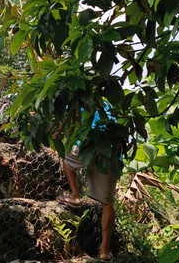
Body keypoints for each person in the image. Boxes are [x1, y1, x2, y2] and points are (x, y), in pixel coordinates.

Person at [57, 105, 124, 263]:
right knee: (108, 203)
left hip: (89, 143)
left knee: (67, 162)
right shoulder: (109, 104)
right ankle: (104, 253)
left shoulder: (78, 99)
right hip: (111, 150)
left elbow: (67, 124)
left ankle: (75, 196)